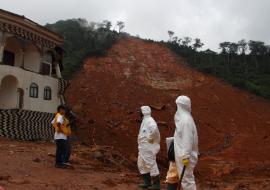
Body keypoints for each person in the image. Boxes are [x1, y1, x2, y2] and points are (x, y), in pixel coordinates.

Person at [174, 96, 199, 190]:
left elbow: (187, 139)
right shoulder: (185, 119)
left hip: (185, 156)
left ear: (180, 106)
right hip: (184, 154)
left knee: (187, 181)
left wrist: (185, 156)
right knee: (185, 179)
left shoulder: (185, 121)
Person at [137, 106, 161, 190]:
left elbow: (154, 129)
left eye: (140, 111)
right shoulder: (145, 120)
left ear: (144, 112)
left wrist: (150, 138)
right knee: (141, 164)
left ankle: (156, 184)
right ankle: (147, 182)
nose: (139, 113)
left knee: (151, 164)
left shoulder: (150, 120)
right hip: (143, 147)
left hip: (147, 147)